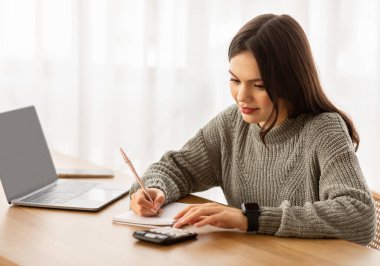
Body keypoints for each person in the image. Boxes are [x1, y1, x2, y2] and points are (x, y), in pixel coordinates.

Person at [129, 14, 376, 245]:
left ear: (290, 82)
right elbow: (176, 168)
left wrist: (252, 219)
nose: (241, 97)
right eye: (235, 80)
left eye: (258, 85)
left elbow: (359, 215)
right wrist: (154, 189)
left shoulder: (324, 129)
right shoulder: (232, 124)